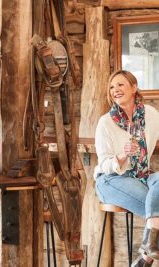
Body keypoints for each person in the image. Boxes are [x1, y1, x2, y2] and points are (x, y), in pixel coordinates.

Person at [94, 70, 159, 267]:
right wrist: (121, 156)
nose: (116, 90)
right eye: (112, 87)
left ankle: (147, 253)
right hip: (111, 179)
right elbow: (104, 163)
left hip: (142, 175)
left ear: (134, 87)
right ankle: (147, 255)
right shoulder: (105, 122)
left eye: (121, 85)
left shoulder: (150, 114)